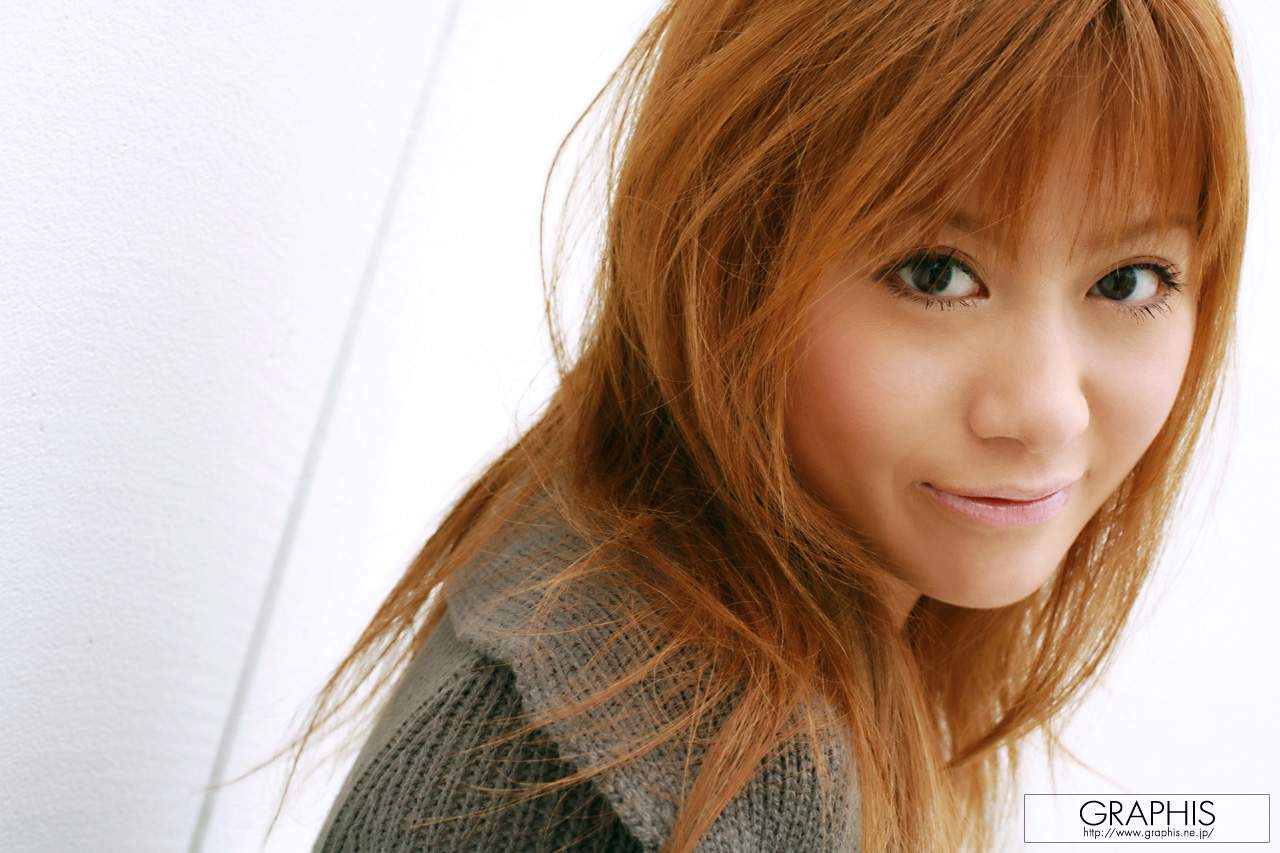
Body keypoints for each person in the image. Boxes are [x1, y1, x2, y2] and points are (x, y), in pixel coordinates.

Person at [269, 1, 1249, 850]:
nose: (1044, 410)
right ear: (727, 258)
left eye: (1129, 281)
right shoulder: (675, 760)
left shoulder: (599, 560)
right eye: (935, 273)